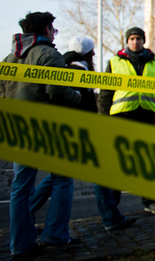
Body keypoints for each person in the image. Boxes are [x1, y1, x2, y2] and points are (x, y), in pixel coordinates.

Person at [29, 36, 138, 232]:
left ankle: (27, 212)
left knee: (59, 175)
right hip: (80, 131)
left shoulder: (70, 66)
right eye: (92, 51)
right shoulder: (77, 70)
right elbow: (77, 101)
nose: (95, 54)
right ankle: (110, 218)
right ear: (88, 53)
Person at [1, 12, 82, 256]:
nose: (54, 34)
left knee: (21, 188)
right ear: (46, 30)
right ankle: (56, 235)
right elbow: (57, 92)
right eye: (53, 30)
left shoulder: (8, 59)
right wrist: (77, 96)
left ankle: (21, 244)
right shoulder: (48, 55)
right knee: (62, 179)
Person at [97, 27, 155, 216]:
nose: (135, 42)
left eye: (138, 39)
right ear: (127, 41)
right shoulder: (114, 62)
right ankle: (114, 205)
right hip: (121, 117)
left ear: (143, 40)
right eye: (132, 39)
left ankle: (150, 202)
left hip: (148, 118)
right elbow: (105, 93)